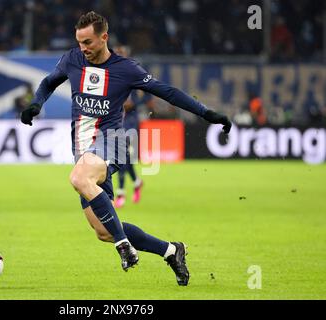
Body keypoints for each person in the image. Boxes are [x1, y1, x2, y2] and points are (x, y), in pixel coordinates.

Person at [21, 11, 231, 286]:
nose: (83, 49)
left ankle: (124, 246)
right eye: (79, 42)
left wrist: (206, 113)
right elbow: (48, 83)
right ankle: (171, 251)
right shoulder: (72, 59)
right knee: (103, 230)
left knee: (78, 179)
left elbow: (166, 91)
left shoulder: (127, 69)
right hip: (83, 151)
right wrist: (37, 103)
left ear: (104, 37)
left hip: (113, 142)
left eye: (88, 42)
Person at [113, 45, 152, 208]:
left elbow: (149, 94)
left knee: (121, 154)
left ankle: (121, 192)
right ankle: (136, 182)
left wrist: (133, 103)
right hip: (115, 119)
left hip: (130, 120)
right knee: (123, 156)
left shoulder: (134, 72)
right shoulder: (111, 74)